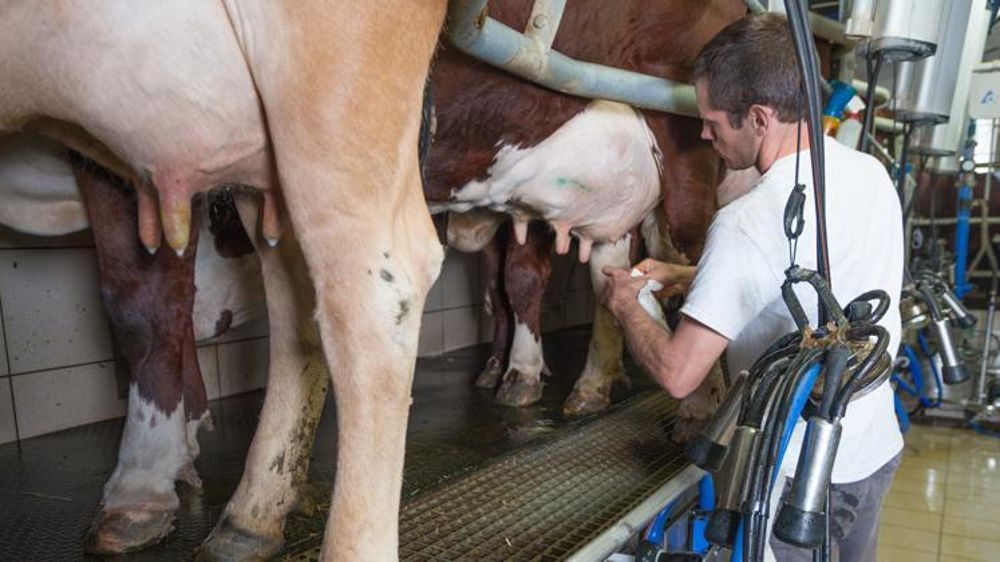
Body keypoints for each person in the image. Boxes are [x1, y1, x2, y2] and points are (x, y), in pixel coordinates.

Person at [600, 13, 903, 562]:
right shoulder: (869, 174)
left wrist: (624, 303)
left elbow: (678, 373)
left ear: (759, 118)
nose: (704, 134)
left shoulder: (747, 220)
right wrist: (685, 276)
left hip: (797, 483)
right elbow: (812, 283)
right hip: (871, 451)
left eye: (712, 121)